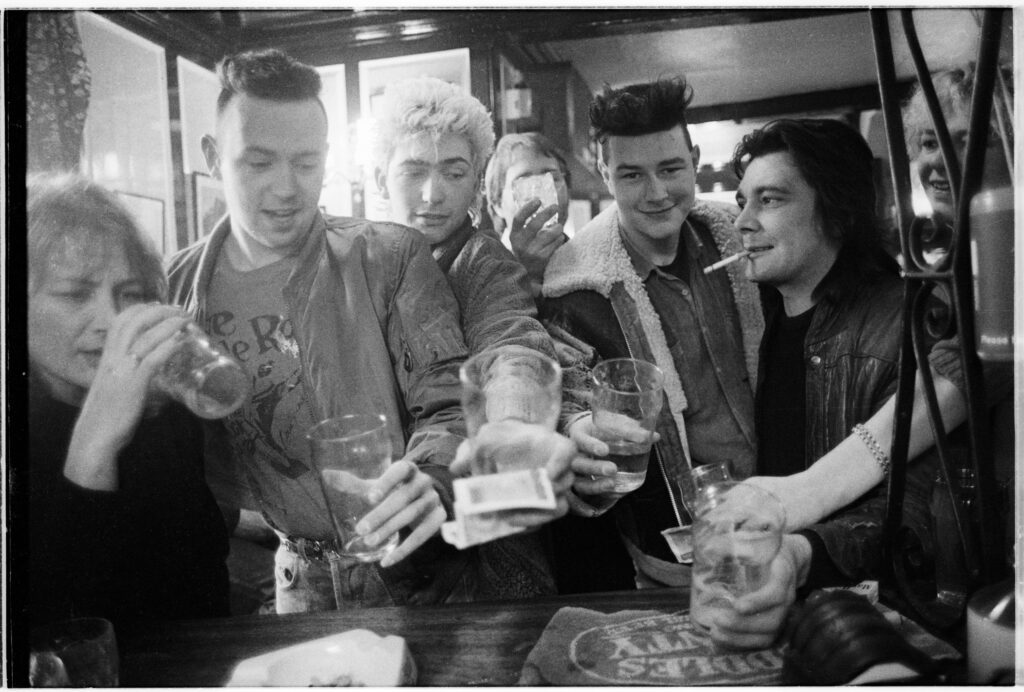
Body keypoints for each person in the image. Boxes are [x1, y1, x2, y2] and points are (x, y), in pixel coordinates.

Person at [167, 49, 472, 613]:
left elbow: (450, 399)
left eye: (306, 163)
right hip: (292, 582)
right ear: (213, 158)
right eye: (258, 163)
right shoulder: (174, 288)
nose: (286, 188)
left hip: (412, 568)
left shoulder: (388, 257)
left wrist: (433, 478)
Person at [541, 76, 765, 590]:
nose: (657, 193)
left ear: (694, 156)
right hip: (671, 554)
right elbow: (568, 397)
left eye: (670, 168)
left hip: (781, 514)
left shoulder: (742, 236)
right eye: (632, 175)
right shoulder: (574, 281)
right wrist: (579, 430)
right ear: (603, 172)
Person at [370, 76, 577, 596]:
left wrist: (510, 424)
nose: (432, 194)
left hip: (479, 553)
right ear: (379, 178)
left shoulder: (485, 264)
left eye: (454, 172)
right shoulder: (362, 264)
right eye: (413, 170)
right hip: (373, 535)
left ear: (476, 179)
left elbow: (511, 343)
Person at [27, 173, 230, 628]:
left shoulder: (166, 418)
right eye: (75, 293)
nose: (111, 319)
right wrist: (93, 448)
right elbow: (58, 636)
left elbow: (204, 579)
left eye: (130, 295)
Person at [484, 131, 571, 296]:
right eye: (524, 181)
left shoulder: (590, 256)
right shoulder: (482, 270)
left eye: (553, 178)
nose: (542, 191)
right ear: (497, 204)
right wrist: (527, 276)